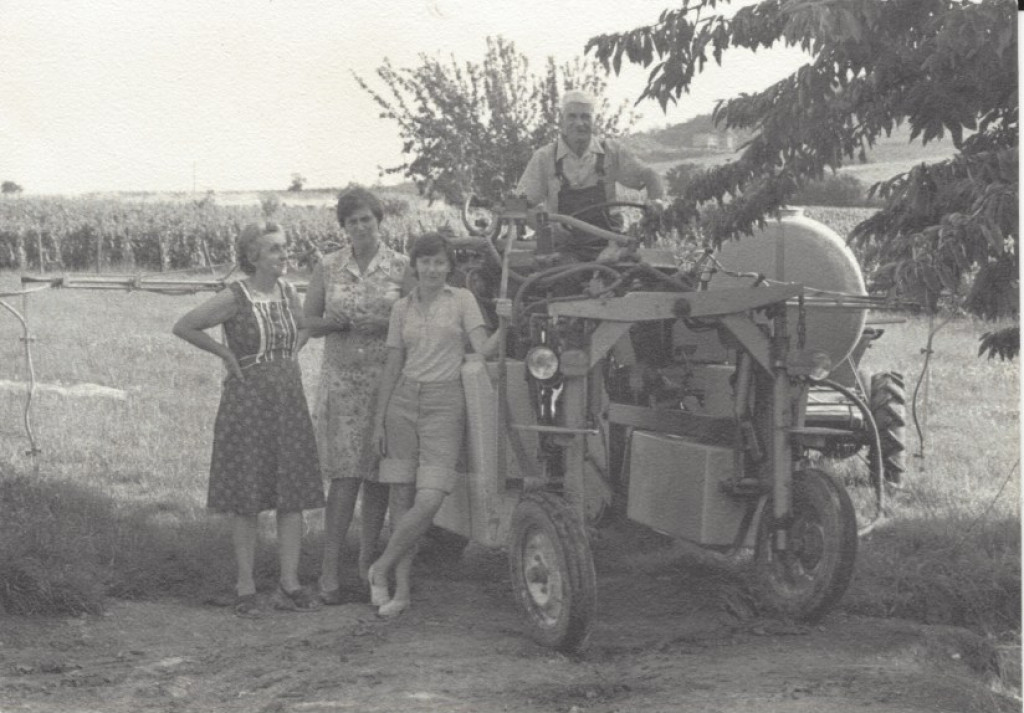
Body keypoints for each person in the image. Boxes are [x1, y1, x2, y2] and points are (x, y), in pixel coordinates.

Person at [173, 220, 325, 617]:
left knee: (291, 494)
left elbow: (302, 331)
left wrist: (293, 351)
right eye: (274, 249)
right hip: (248, 405)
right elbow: (185, 325)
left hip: (288, 401)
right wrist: (225, 354)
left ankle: (290, 583)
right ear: (253, 256)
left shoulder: (290, 292)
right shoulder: (236, 296)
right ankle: (246, 586)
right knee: (248, 497)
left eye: (284, 247)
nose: (283, 255)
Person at [366, 232, 499, 619]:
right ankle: (401, 593)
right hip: (403, 402)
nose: (433, 269)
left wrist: (508, 321)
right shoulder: (401, 309)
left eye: (440, 262)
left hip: (445, 402)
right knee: (401, 500)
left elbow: (483, 347)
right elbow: (392, 364)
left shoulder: (462, 300)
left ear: (449, 267)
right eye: (426, 262)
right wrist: (379, 422)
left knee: (430, 499)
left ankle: (380, 567)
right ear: (415, 266)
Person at [301, 187, 411, 605]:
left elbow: (415, 320)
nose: (361, 227)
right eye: (352, 221)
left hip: (387, 382)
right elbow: (308, 322)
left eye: (367, 219)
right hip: (343, 382)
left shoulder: (401, 266)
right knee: (345, 478)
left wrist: (385, 325)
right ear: (343, 227)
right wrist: (336, 322)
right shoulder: (328, 266)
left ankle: (370, 566)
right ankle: (329, 574)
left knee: (379, 477)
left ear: (379, 221)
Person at [516, 89, 667, 261]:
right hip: (565, 248)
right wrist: (546, 227)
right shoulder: (544, 158)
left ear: (594, 120)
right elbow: (520, 205)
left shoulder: (612, 151)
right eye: (572, 116)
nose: (579, 123)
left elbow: (650, 175)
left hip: (611, 246)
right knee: (559, 279)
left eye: (585, 117)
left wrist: (656, 203)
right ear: (561, 121)